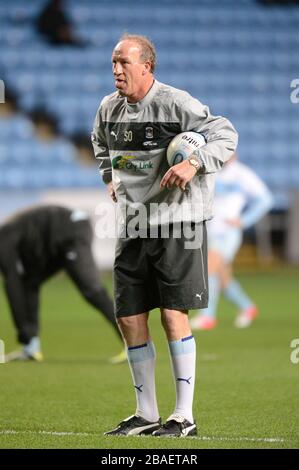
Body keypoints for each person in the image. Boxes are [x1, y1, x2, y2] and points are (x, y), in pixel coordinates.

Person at [91, 33, 238, 437]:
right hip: (132, 224)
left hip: (179, 224)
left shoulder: (177, 103)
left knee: (174, 314)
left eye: (124, 62)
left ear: (146, 66)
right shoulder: (108, 109)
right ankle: (145, 413)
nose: (117, 70)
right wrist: (109, 176)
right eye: (113, 63)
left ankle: (183, 416)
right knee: (129, 317)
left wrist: (194, 163)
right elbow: (100, 144)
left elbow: (225, 134)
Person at [0, 205, 125, 364]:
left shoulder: (3, 240)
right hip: (54, 241)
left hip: (72, 228)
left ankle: (133, 344)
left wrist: (21, 332)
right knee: (30, 282)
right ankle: (30, 348)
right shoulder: (8, 235)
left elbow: (12, 285)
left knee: (92, 291)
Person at [190, 154, 273, 330]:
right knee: (223, 279)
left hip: (227, 233)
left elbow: (266, 199)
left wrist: (244, 220)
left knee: (209, 269)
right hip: (211, 232)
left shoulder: (242, 174)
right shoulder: (210, 171)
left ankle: (207, 316)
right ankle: (247, 307)